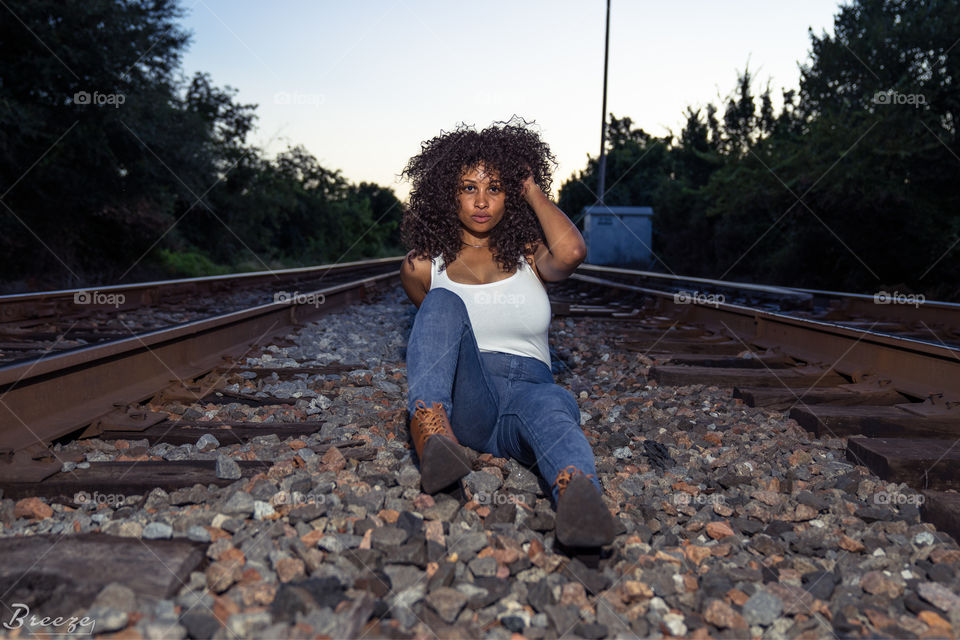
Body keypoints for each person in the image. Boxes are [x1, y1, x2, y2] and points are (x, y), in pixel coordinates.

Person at [397, 117, 617, 547]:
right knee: (442, 303)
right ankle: (432, 433)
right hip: (470, 403)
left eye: (495, 188)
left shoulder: (530, 255)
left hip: (530, 396)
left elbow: (573, 251)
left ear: (509, 195)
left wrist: (531, 189)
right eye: (468, 187)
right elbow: (437, 335)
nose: (481, 201)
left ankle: (578, 497)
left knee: (554, 403)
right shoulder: (423, 265)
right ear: (448, 193)